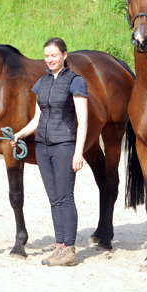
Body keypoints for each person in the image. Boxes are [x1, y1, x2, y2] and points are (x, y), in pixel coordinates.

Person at [12, 37, 88, 267]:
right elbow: (37, 119)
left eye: (54, 55)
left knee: (66, 197)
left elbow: (83, 121)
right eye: (46, 56)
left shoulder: (76, 82)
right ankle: (59, 245)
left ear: (64, 55)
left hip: (65, 144)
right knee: (54, 198)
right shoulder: (41, 83)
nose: (50, 59)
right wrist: (19, 134)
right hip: (43, 146)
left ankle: (70, 248)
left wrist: (78, 152)